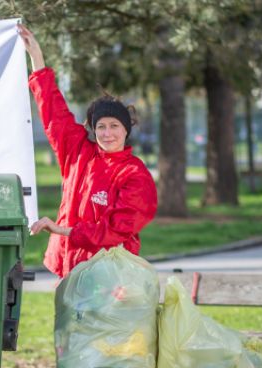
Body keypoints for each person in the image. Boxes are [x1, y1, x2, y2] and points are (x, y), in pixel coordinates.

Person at [18, 24, 157, 279]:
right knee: (66, 321)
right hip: (66, 267)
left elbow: (114, 230)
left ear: (126, 130)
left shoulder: (135, 174)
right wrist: (37, 59)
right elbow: (53, 113)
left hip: (108, 276)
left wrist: (63, 231)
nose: (107, 133)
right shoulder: (79, 152)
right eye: (101, 127)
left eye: (114, 126)